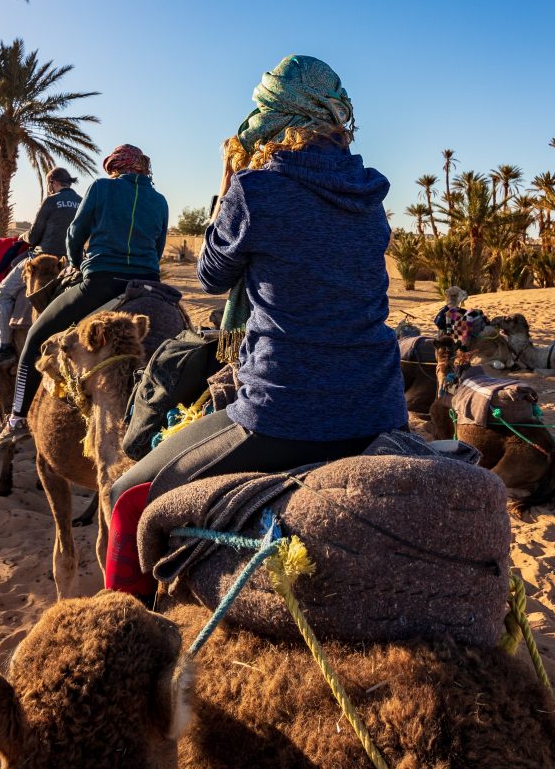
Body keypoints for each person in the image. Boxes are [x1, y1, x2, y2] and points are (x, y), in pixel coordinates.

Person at [102, 54, 408, 602]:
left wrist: (227, 187)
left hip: (285, 410)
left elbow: (213, 276)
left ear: (271, 120)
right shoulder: (370, 196)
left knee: (128, 497)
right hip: (378, 407)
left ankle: (128, 631)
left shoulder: (255, 189)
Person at [0, 145, 168, 447]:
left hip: (101, 282)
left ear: (114, 168)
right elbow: (159, 245)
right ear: (142, 167)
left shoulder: (101, 188)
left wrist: (75, 263)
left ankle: (17, 419)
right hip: (148, 283)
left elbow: (75, 233)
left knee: (35, 338)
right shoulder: (161, 200)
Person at [0, 167, 83, 372]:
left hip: (44, 258)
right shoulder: (82, 201)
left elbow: (35, 235)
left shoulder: (51, 201)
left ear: (52, 183)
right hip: (73, 262)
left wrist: (22, 237)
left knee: (3, 292)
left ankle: (4, 348)